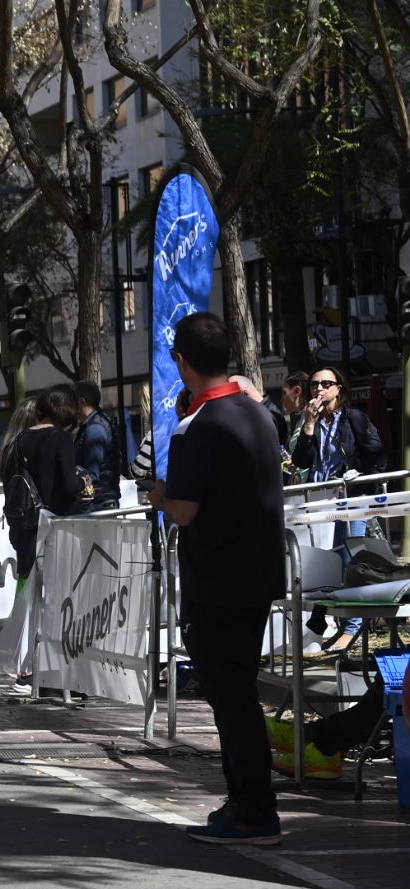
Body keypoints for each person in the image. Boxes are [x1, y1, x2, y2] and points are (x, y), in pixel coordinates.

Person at [148, 312, 286, 844]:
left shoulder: (198, 426)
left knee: (231, 698)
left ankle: (252, 808)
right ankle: (246, 803)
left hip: (217, 579)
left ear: (182, 362)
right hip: (256, 572)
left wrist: (158, 494)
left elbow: (183, 510)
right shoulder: (258, 414)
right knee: (238, 692)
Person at [292, 366, 387, 651]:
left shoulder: (352, 418)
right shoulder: (313, 421)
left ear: (338, 389)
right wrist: (308, 424)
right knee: (331, 565)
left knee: (350, 562)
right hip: (324, 502)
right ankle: (326, 626)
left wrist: (361, 476)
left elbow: (377, 452)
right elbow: (302, 460)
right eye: (314, 384)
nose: (318, 389)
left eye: (325, 384)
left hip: (352, 499)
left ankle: (352, 628)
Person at [0, 386, 82, 581]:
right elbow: (70, 486)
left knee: (28, 591)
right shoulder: (61, 439)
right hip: (58, 529)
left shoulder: (18, 440)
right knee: (61, 592)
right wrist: (83, 482)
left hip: (27, 529)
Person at [71, 381, 120, 512]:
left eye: (71, 402)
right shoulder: (98, 422)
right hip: (100, 502)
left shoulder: (95, 428)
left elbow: (91, 475)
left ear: (81, 402)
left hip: (98, 505)